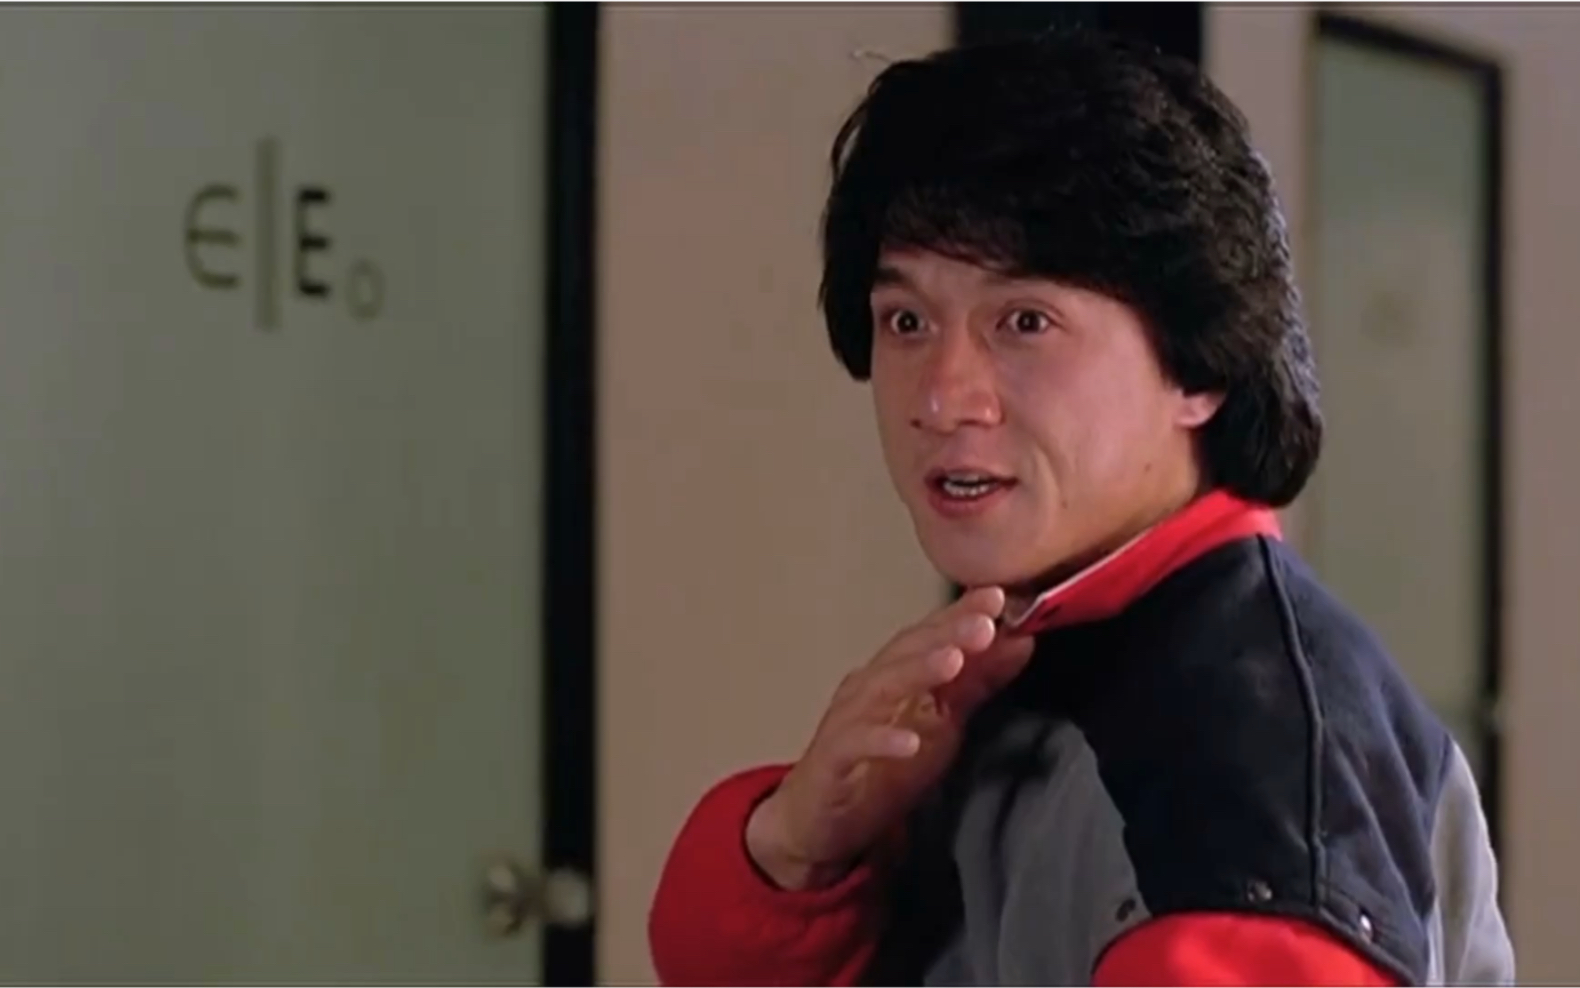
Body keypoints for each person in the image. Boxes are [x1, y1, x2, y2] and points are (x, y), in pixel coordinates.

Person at [647, 28, 1515, 987]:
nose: (940, 397)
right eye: (907, 320)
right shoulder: (1035, 656)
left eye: (1025, 322)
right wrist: (800, 848)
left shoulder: (1240, 773)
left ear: (1199, 366)